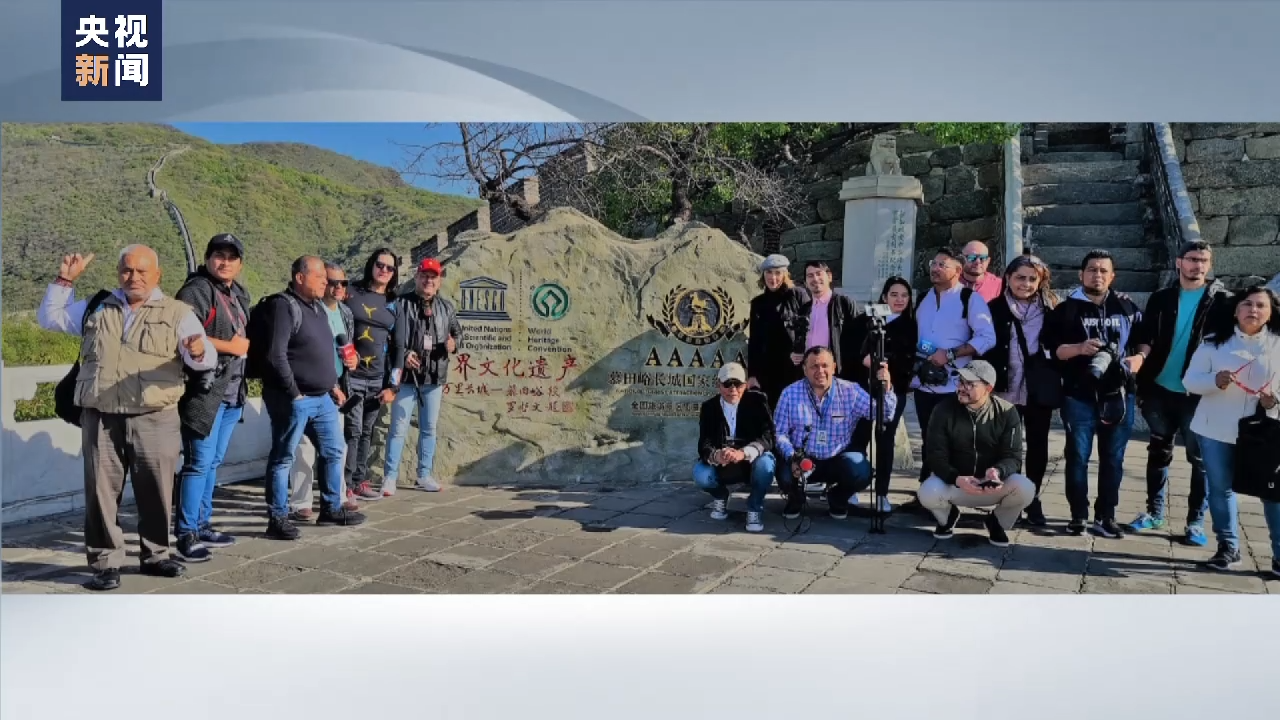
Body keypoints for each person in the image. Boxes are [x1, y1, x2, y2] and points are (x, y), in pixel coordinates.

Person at [38, 246, 217, 591]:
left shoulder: (178, 312)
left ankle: (156, 555)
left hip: (155, 416)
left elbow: (203, 356)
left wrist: (198, 350)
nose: (133, 277)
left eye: (142, 271)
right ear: (118, 273)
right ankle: (105, 562)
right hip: (100, 416)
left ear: (157, 275)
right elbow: (50, 318)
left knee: (157, 491)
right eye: (127, 270)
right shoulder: (97, 306)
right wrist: (65, 281)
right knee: (101, 494)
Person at [258, 256, 365, 540]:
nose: (325, 283)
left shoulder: (317, 308)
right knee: (283, 457)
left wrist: (332, 385)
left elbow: (322, 353)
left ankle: (331, 508)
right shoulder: (284, 306)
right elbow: (276, 355)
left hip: (323, 397)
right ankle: (278, 518)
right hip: (293, 399)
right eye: (320, 277)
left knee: (334, 451)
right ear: (300, 278)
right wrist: (294, 393)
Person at [1128, 241, 1228, 545]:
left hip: (1198, 395)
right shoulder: (1161, 298)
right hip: (1159, 389)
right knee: (1158, 453)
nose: (1198, 265)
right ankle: (1154, 512)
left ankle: (1195, 522)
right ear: (1179, 262)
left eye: (1204, 260)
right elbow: (1146, 337)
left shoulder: (1222, 301)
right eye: (1192, 259)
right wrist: (1141, 366)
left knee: (1200, 460)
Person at [1043, 250, 1146, 538]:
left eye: (1103, 270)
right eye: (1091, 270)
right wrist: (1079, 349)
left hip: (1118, 394)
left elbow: (1145, 339)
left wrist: (1140, 358)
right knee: (1077, 456)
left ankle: (1106, 516)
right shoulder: (1065, 310)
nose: (1097, 275)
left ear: (1112, 276)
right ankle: (1078, 516)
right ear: (1081, 274)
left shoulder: (1126, 307)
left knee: (1113, 458)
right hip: (1078, 394)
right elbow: (1051, 350)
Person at [1182, 286, 1280, 574]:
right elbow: (1190, 381)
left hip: (1265, 434)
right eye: (1247, 304)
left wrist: (1275, 400)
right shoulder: (1213, 343)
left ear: (1271, 312)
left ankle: (1279, 555)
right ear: (1236, 310)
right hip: (1216, 429)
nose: (1253, 310)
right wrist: (1215, 380)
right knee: (1220, 489)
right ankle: (1228, 547)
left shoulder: (1277, 345)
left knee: (1273, 492)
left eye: (1261, 305)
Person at [172, 234, 252, 562]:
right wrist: (230, 347)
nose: (225, 262)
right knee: (197, 463)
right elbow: (184, 334)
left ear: (240, 263)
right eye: (219, 255)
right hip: (204, 392)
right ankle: (186, 533)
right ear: (207, 258)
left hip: (232, 391)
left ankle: (202, 523)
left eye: (232, 257)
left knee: (213, 462)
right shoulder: (196, 290)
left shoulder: (239, 294)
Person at [918, 360, 1034, 547]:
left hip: (992, 486)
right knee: (927, 491)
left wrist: (998, 471)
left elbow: (1013, 457)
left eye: (970, 384)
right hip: (956, 483)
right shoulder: (943, 410)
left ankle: (997, 522)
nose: (961, 388)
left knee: (1026, 488)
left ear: (988, 388)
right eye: (960, 382)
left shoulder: (1007, 412)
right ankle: (947, 516)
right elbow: (935, 455)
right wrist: (956, 478)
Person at [773, 347, 895, 520]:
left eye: (825, 365)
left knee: (861, 471)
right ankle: (796, 499)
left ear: (834, 368)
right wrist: (793, 456)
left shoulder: (851, 391)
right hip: (803, 459)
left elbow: (885, 415)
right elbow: (779, 433)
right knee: (784, 474)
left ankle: (837, 498)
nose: (820, 371)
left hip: (836, 458)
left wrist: (887, 387)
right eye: (814, 366)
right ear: (805, 369)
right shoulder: (789, 393)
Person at [984, 254, 1059, 526]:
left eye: (1031, 279)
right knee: (1005, 445)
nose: (1025, 284)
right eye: (1020, 278)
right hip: (1004, 387)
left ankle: (1032, 497)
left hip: (1037, 388)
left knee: (1038, 444)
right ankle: (1007, 496)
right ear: (1008, 278)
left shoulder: (1052, 308)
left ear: (1041, 281)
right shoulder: (994, 308)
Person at [911, 248, 997, 489]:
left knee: (950, 442)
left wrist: (950, 354)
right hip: (924, 383)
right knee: (928, 438)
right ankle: (927, 491)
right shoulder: (923, 298)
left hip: (955, 385)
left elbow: (987, 337)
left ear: (958, 270)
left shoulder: (969, 299)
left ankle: (950, 492)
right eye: (934, 263)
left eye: (942, 265)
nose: (935, 268)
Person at [382, 257, 463, 495]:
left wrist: (453, 344)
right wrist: (405, 353)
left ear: (439, 281)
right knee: (398, 428)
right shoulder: (400, 303)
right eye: (425, 276)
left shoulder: (446, 307)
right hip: (407, 379)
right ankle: (390, 477)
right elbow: (387, 336)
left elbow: (458, 334)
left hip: (434, 377)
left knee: (429, 429)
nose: (429, 280)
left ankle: (424, 475)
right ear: (417, 277)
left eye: (433, 277)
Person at [288, 262, 360, 520]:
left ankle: (337, 497)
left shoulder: (346, 313)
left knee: (336, 446)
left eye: (343, 283)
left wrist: (354, 360)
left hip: (338, 385)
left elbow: (347, 346)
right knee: (304, 448)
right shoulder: (310, 310)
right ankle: (301, 502)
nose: (339, 287)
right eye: (333, 282)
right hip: (309, 387)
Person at [847, 275, 917, 513]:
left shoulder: (911, 325)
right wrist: (863, 360)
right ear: (884, 297)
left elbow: (908, 360)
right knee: (859, 436)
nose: (899, 300)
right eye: (894, 295)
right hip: (863, 388)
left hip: (893, 390)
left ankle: (882, 494)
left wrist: (888, 369)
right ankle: (852, 487)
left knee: (885, 440)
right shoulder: (866, 319)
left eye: (904, 296)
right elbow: (850, 348)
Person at [342, 248, 401, 501]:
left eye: (390, 268)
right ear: (371, 265)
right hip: (351, 376)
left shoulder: (394, 303)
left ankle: (358, 481)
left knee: (366, 431)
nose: (384, 270)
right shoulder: (351, 292)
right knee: (352, 430)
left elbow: (399, 347)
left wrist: (393, 386)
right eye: (380, 265)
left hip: (377, 379)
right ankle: (344, 484)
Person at [693, 363, 777, 533]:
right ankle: (720, 496)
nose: (733, 389)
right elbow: (704, 442)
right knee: (700, 473)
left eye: (737, 384)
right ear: (718, 385)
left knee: (767, 463)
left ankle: (755, 506)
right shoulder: (709, 407)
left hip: (751, 460)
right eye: (727, 384)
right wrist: (716, 455)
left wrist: (744, 452)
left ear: (745, 385)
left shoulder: (758, 401)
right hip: (724, 462)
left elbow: (768, 436)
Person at [746, 254, 810, 410]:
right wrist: (752, 374)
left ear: (785, 275)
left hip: (794, 368)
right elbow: (754, 341)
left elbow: (810, 328)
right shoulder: (758, 303)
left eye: (777, 273)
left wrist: (804, 353)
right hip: (767, 370)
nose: (773, 278)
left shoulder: (798, 295)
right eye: (769, 272)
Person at [801, 261, 859, 379]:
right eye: (810, 276)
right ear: (805, 283)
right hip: (810, 373)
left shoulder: (844, 304)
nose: (815, 279)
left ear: (829, 277)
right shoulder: (804, 309)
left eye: (819, 274)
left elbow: (857, 339)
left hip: (837, 373)